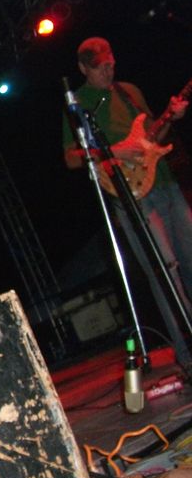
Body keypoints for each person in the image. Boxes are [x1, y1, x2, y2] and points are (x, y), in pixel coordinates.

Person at [62, 36, 192, 371]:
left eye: (109, 64)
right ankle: (187, 353)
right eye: (99, 68)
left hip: (165, 184)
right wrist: (114, 151)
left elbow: (152, 138)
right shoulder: (79, 103)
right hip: (132, 196)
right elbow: (72, 158)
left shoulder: (129, 91)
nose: (107, 71)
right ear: (83, 68)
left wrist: (171, 118)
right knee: (165, 272)